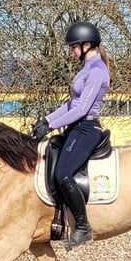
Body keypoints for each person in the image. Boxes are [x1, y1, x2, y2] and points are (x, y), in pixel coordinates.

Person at [31, 21, 111, 248]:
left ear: (87, 45)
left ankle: (83, 227)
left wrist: (52, 125)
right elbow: (71, 104)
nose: (71, 51)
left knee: (63, 174)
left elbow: (81, 110)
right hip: (75, 127)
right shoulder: (86, 69)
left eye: (73, 47)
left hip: (87, 128)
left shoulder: (97, 72)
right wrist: (46, 121)